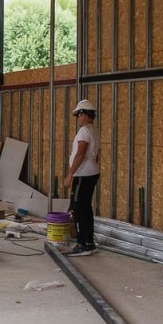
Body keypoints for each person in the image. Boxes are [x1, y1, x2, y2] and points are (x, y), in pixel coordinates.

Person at [64, 99, 100, 256]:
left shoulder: (85, 131)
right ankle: (89, 243)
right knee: (86, 208)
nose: (78, 119)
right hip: (92, 173)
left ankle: (82, 244)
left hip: (83, 174)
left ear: (84, 114)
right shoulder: (94, 130)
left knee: (77, 208)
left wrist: (70, 174)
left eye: (78, 115)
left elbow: (80, 154)